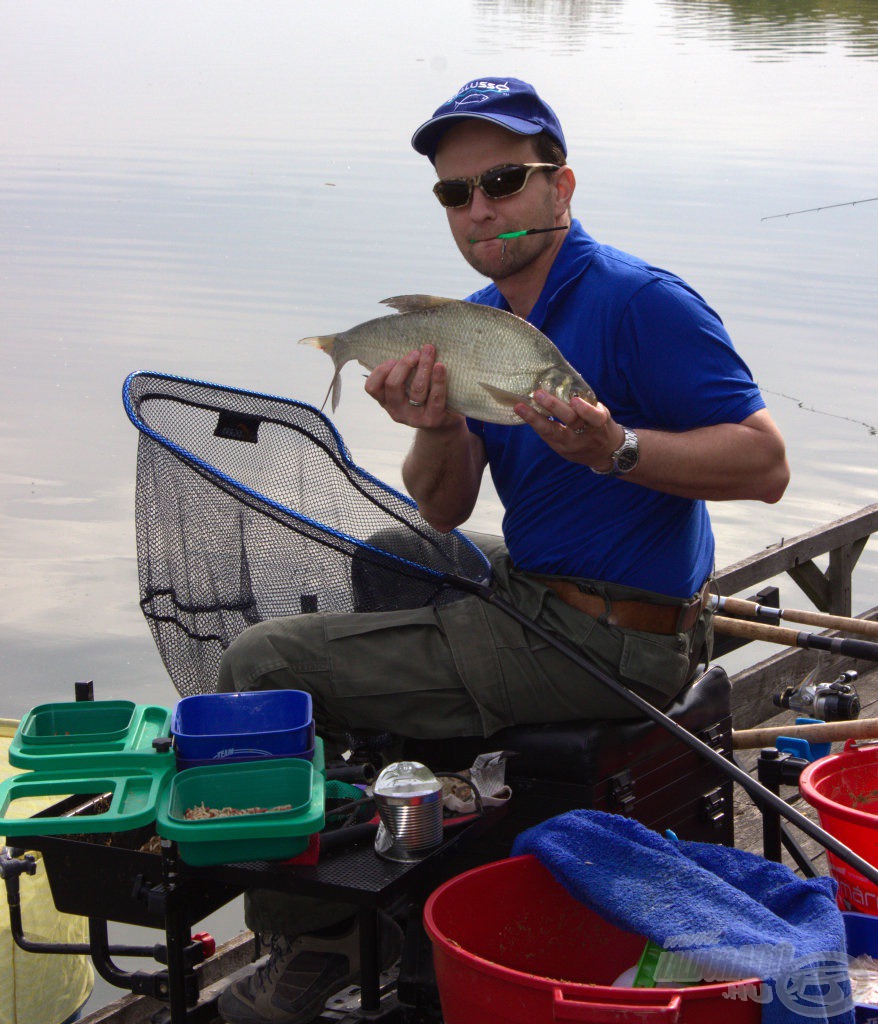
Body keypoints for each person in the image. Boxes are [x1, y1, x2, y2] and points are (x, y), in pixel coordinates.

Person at [216, 77, 790, 1024]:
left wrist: (619, 449)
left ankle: (309, 945)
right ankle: (426, 824)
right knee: (395, 549)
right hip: (542, 585)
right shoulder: (476, 322)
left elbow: (767, 464)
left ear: (560, 188)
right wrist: (434, 424)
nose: (482, 209)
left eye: (506, 181)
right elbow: (443, 511)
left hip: (619, 639)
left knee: (258, 661)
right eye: (457, 192)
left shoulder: (640, 303)